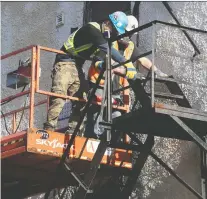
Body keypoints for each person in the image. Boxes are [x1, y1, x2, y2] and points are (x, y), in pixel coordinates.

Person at [43, 11, 138, 133]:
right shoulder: (92, 29)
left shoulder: (102, 39)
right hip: (64, 62)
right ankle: (49, 129)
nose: (113, 33)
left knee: (82, 99)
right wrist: (128, 63)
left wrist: (104, 65)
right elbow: (108, 51)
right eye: (113, 29)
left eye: (115, 32)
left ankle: (74, 131)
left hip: (77, 66)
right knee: (59, 96)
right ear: (107, 22)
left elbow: (99, 58)